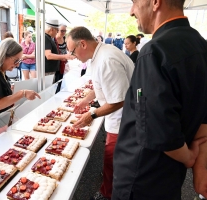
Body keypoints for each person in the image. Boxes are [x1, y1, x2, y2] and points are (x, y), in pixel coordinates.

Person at [112, 0, 207, 199]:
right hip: (169, 174)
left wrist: (190, 158)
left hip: (141, 175)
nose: (131, 11)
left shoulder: (155, 51)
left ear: (155, 2)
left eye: (134, 2)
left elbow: (156, 129)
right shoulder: (200, 44)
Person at [66, 26, 135, 200]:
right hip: (117, 118)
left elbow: (118, 100)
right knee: (111, 160)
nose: (73, 56)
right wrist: (85, 100)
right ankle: (109, 188)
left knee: (112, 160)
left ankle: (108, 194)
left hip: (122, 121)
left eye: (73, 52)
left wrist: (92, 114)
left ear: (82, 44)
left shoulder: (107, 60)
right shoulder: (100, 54)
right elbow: (100, 84)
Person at [55, 24, 68, 93]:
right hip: (57, 64)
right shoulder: (54, 39)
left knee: (61, 80)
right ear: (57, 30)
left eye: (65, 31)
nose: (63, 32)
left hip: (63, 63)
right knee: (56, 81)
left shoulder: (64, 38)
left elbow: (66, 48)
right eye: (62, 31)